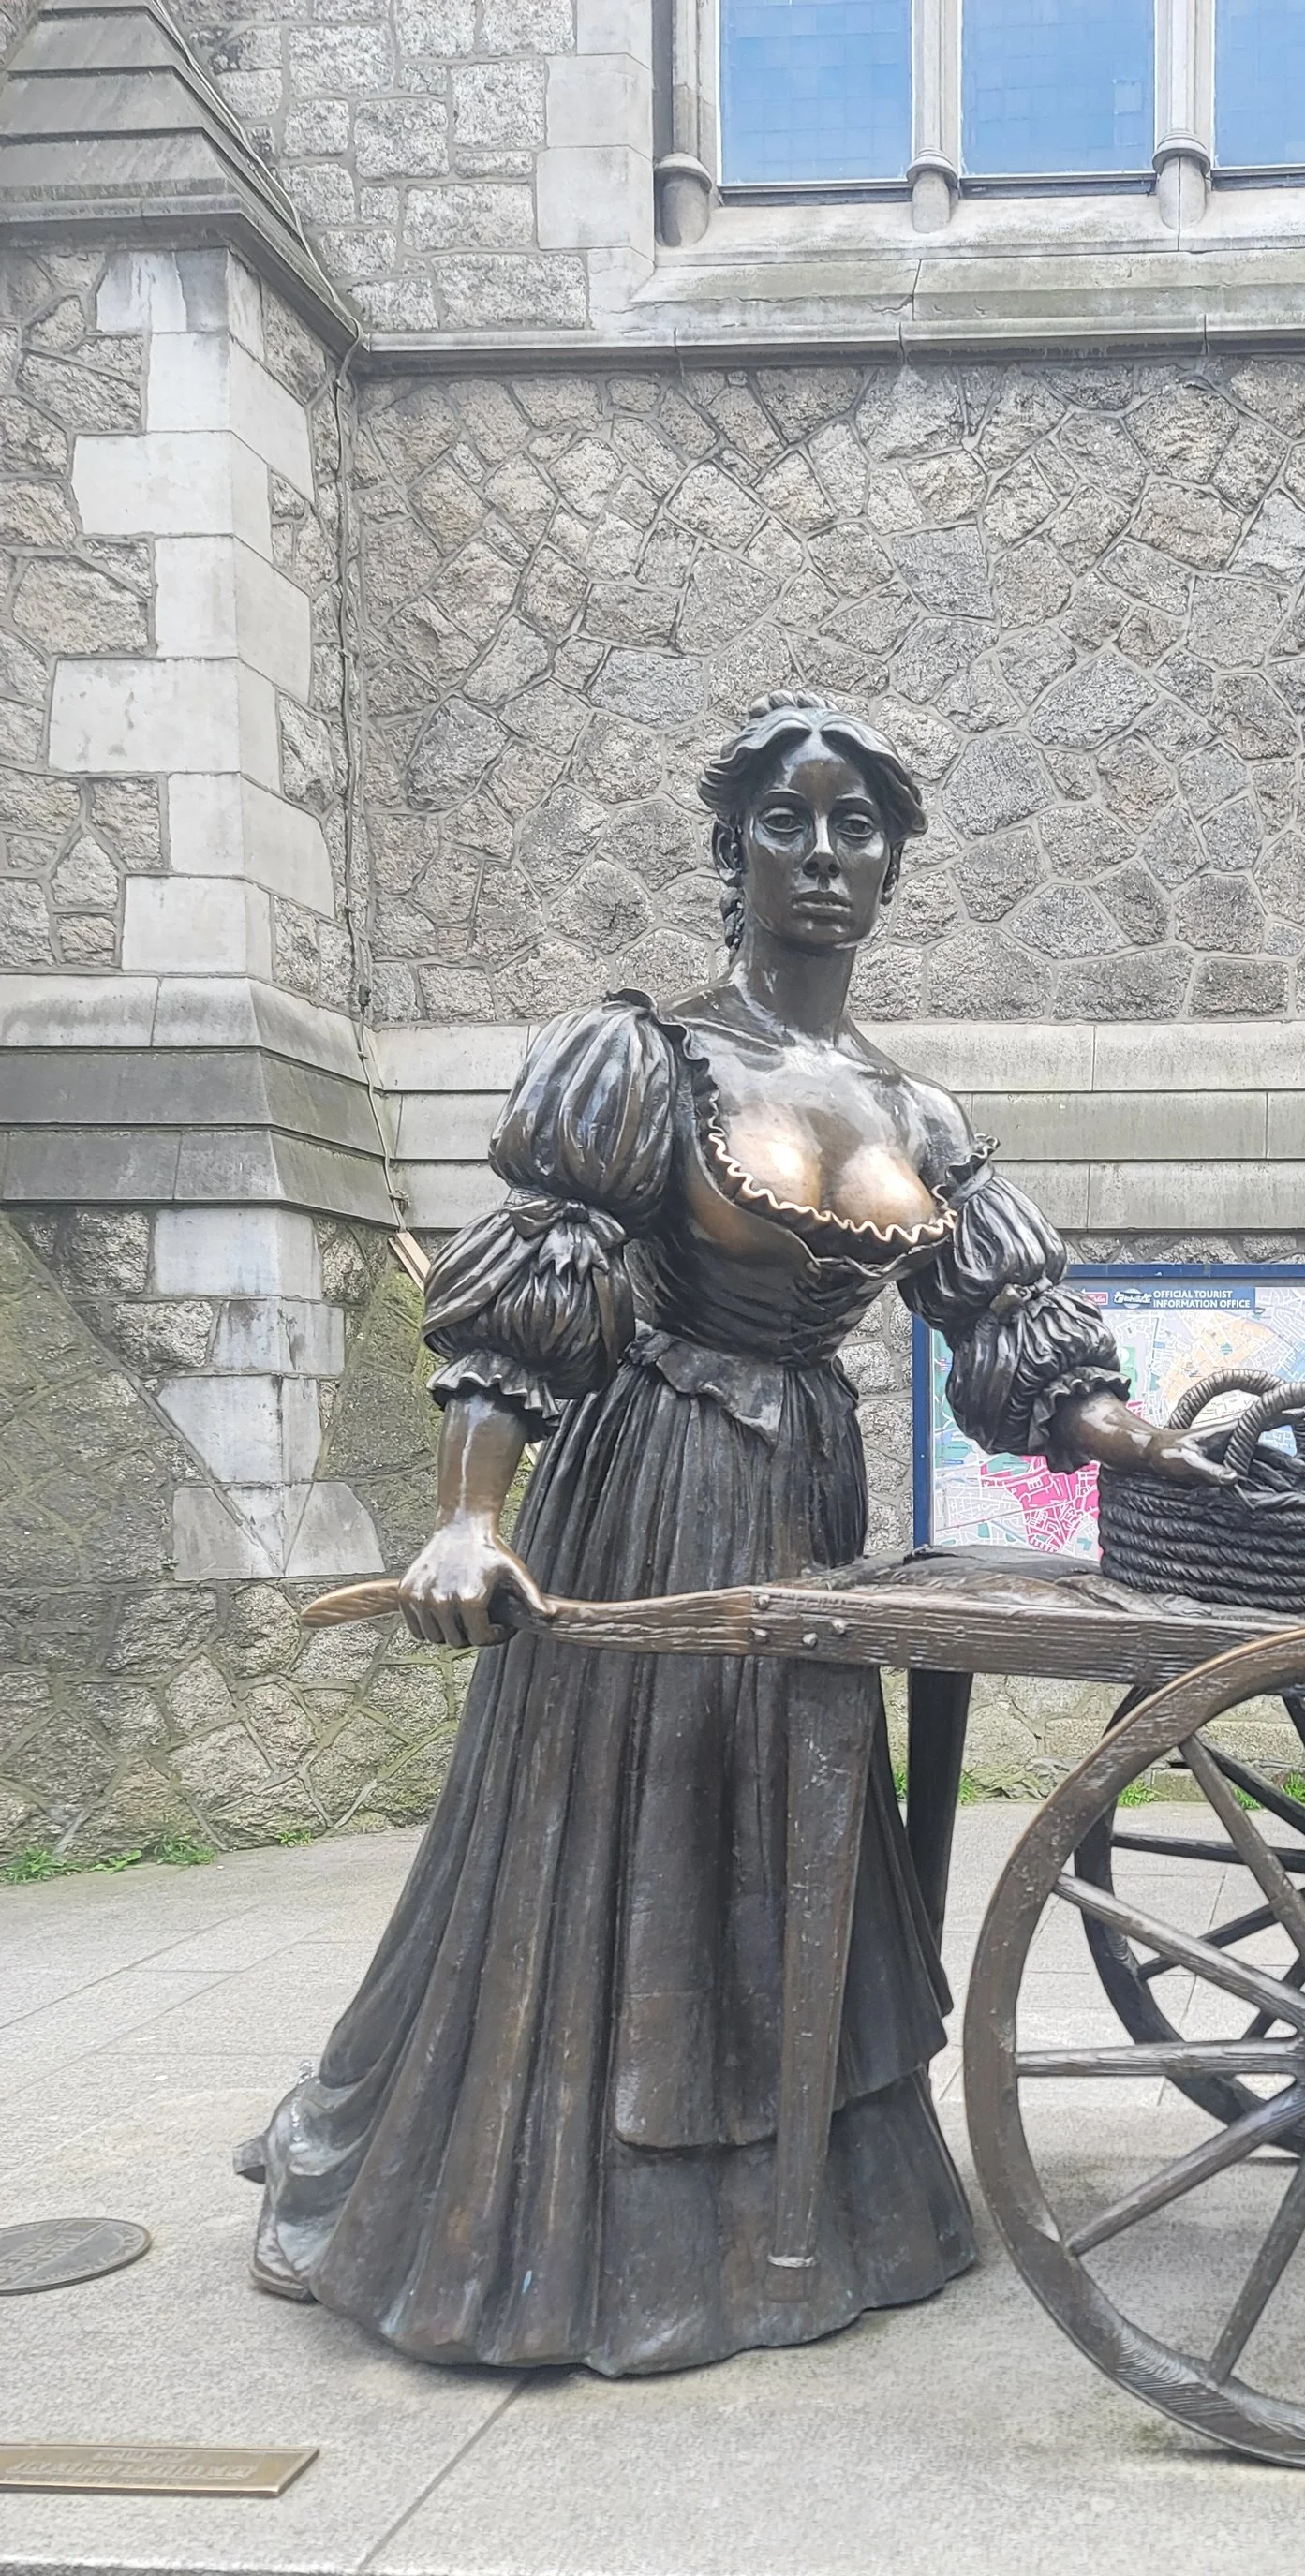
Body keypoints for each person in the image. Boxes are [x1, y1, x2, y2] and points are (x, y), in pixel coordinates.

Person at [237, 696, 1224, 2373]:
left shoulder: (915, 1110)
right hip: (654, 1480)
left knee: (801, 1819)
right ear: (732, 851)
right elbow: (532, 1293)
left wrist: (1116, 1419)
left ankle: (821, 2196)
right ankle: (570, 2221)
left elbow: (1005, 1322)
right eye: (792, 821)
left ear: (896, 866)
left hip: (810, 1488)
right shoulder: (645, 1056)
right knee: (641, 1817)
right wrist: (469, 1516)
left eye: (861, 830)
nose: (827, 857)